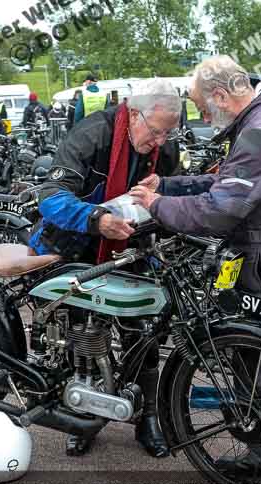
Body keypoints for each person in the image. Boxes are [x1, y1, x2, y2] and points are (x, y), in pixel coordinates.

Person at [129, 55, 261, 476]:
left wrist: (158, 206)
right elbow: (233, 179)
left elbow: (221, 209)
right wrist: (168, 184)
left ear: (221, 96)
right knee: (252, 368)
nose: (205, 119)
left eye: (204, 110)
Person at [28, 78, 182, 458]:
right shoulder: (92, 133)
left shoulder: (164, 147)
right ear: (132, 114)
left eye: (168, 133)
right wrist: (96, 219)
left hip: (133, 246)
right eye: (156, 131)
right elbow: (49, 197)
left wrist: (164, 193)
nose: (161, 142)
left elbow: (171, 191)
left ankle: (146, 417)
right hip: (77, 244)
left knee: (145, 333)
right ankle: (82, 415)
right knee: (81, 330)